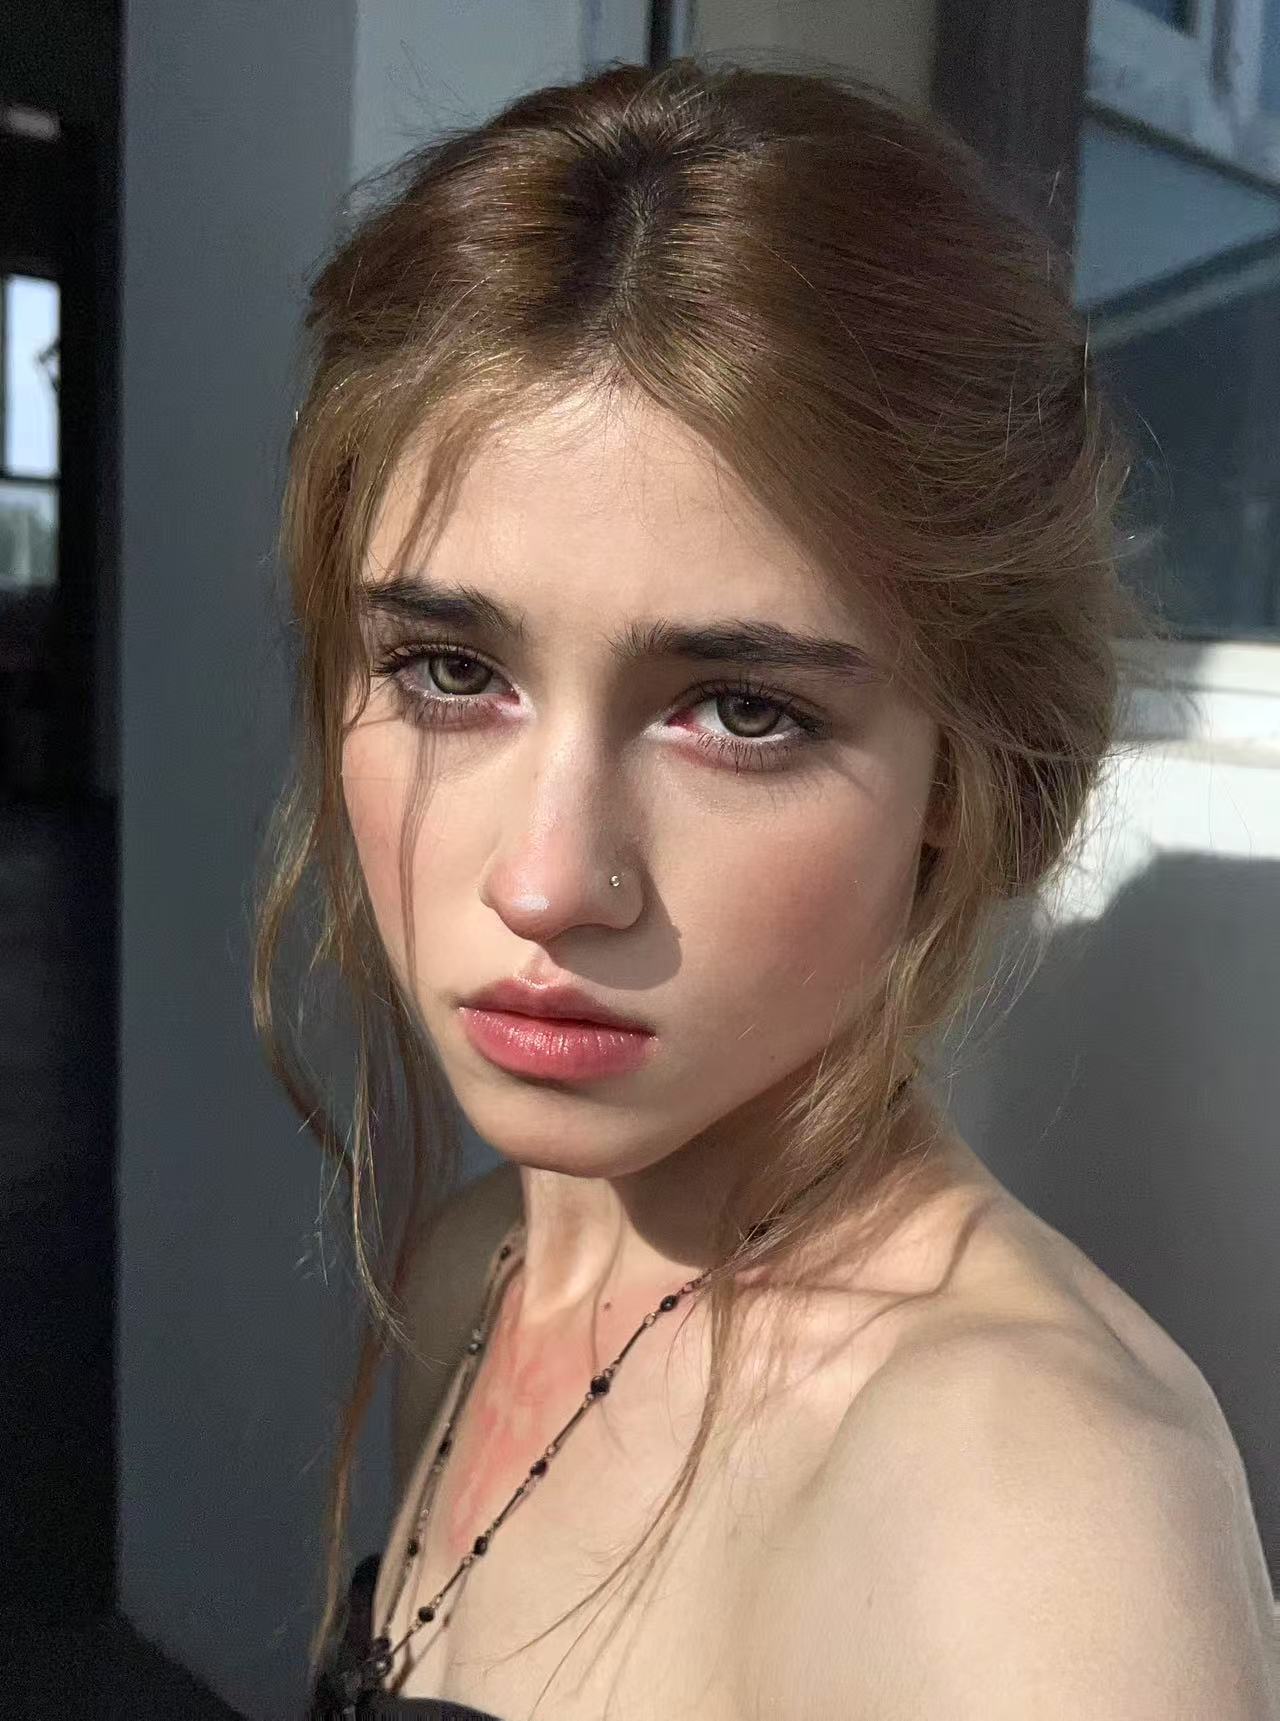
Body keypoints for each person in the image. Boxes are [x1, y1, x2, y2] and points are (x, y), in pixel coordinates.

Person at [252, 55, 1280, 1721]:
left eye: (740, 711)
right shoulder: (475, 1272)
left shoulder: (1033, 1522)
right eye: (449, 670)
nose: (546, 880)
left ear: (964, 773)